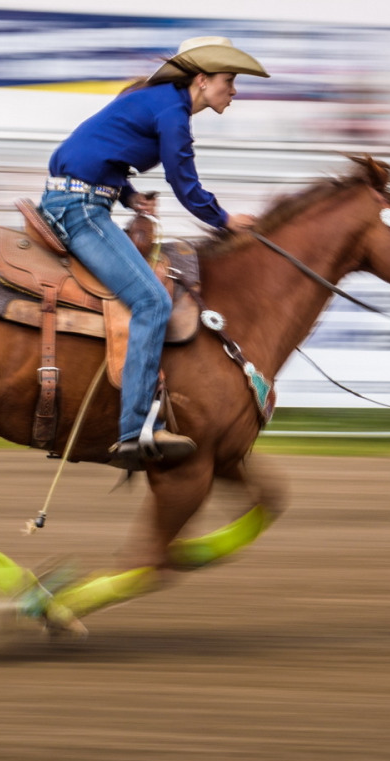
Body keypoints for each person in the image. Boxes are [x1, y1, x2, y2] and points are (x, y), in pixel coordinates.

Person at [39, 36, 267, 469]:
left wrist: (128, 197)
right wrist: (225, 219)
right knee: (151, 300)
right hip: (81, 210)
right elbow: (185, 183)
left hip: (83, 201)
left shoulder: (158, 102)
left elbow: (95, 151)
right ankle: (135, 429)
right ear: (202, 80)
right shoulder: (173, 113)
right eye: (229, 81)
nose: (234, 91)